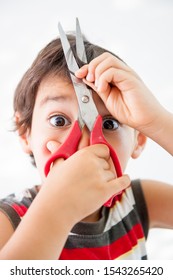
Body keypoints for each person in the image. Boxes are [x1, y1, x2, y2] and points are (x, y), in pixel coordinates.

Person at [0, 31, 173, 260]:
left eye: (109, 124)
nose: (85, 146)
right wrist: (57, 210)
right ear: (25, 133)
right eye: (58, 120)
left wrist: (159, 122)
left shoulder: (140, 202)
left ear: (139, 140)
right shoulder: (9, 221)